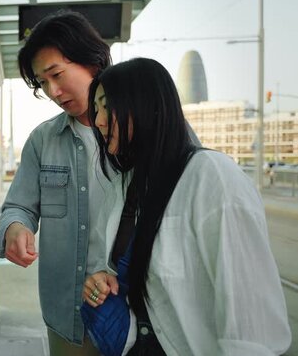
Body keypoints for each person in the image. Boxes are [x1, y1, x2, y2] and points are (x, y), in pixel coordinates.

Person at [81, 57, 291, 355]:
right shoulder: (125, 185)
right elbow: (139, 273)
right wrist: (106, 278)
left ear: (144, 104)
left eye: (107, 105)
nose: (99, 120)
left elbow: (250, 317)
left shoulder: (212, 176)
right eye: (97, 108)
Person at [0, 10, 114, 356]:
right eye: (43, 84)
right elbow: (19, 206)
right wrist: (15, 227)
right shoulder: (43, 140)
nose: (54, 92)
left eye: (56, 75)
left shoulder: (147, 127)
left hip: (136, 316)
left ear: (92, 61)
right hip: (67, 318)